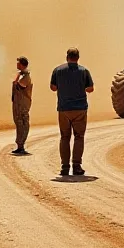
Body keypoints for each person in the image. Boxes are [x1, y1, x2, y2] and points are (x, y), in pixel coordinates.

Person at [50, 47, 94, 176]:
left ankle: (64, 167)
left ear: (67, 56)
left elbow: (53, 87)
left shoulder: (58, 70)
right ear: (78, 57)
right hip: (80, 108)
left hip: (64, 109)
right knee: (79, 137)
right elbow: (90, 88)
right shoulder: (84, 71)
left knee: (64, 137)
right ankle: (76, 166)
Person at [11, 56, 33, 154]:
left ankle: (21, 145)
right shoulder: (21, 74)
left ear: (22, 64)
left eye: (18, 63)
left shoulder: (25, 76)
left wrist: (17, 78)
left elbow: (20, 84)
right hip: (18, 103)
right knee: (18, 122)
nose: (17, 64)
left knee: (22, 124)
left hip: (23, 104)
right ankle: (20, 145)